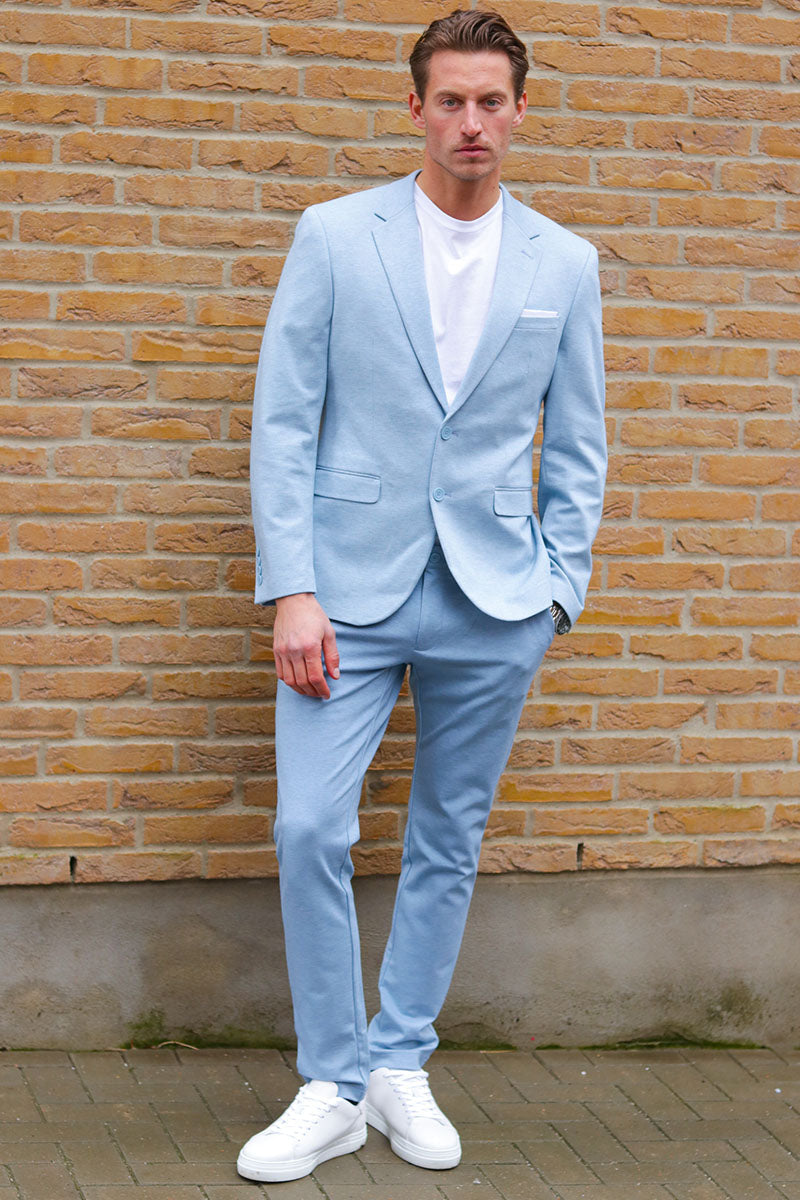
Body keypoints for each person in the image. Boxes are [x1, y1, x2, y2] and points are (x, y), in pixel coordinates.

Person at [240, 8, 607, 1184]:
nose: (470, 123)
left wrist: (555, 592)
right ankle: (330, 1083)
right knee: (310, 827)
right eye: (449, 100)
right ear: (415, 109)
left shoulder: (563, 263)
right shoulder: (334, 236)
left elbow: (578, 445)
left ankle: (399, 1061)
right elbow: (283, 420)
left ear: (519, 110)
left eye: (490, 101)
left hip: (494, 601)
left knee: (447, 837)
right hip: (342, 595)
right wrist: (291, 590)